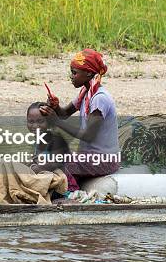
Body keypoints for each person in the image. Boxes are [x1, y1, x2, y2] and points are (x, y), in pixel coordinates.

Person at [39, 49, 120, 190]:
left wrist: (57, 122)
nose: (71, 76)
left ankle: (69, 195)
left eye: (74, 73)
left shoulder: (99, 98)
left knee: (61, 161)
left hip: (105, 160)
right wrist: (56, 106)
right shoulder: (85, 92)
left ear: (88, 73)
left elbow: (87, 136)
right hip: (91, 158)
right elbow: (64, 113)